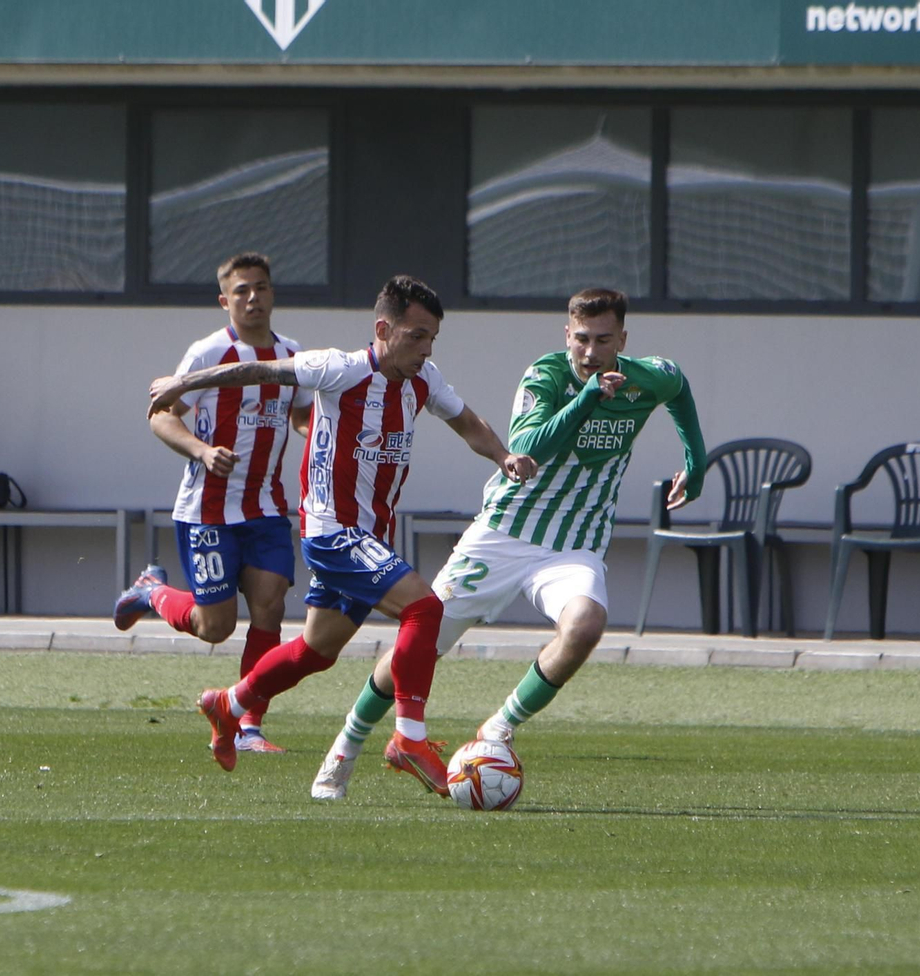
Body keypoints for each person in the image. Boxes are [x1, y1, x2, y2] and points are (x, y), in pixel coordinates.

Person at [310, 286, 706, 800]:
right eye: (580, 339)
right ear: (567, 335)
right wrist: (587, 399)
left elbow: (678, 389)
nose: (589, 352)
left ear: (622, 340)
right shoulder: (545, 376)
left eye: (602, 340)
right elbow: (527, 447)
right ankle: (346, 746)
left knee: (585, 625)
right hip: (502, 534)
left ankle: (498, 729)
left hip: (574, 544)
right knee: (420, 646)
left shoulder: (647, 377)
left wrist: (695, 462)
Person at [147, 275, 536, 794]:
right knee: (425, 609)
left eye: (432, 338)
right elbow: (261, 369)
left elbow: (467, 422)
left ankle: (230, 702)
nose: (425, 349)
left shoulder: (425, 380)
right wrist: (183, 385)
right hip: (333, 532)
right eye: (415, 335)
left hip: (370, 535)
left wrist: (503, 455)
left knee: (315, 650)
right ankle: (408, 740)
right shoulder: (339, 367)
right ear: (383, 328)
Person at [113, 252, 313, 754]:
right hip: (207, 510)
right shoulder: (206, 354)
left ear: (272, 295)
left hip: (266, 507)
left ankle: (247, 723)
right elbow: (160, 415)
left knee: (270, 605)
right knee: (215, 627)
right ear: (225, 300)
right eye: (242, 290)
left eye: (261, 288)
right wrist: (202, 450)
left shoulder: (291, 356)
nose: (253, 298)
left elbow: (305, 417)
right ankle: (151, 592)